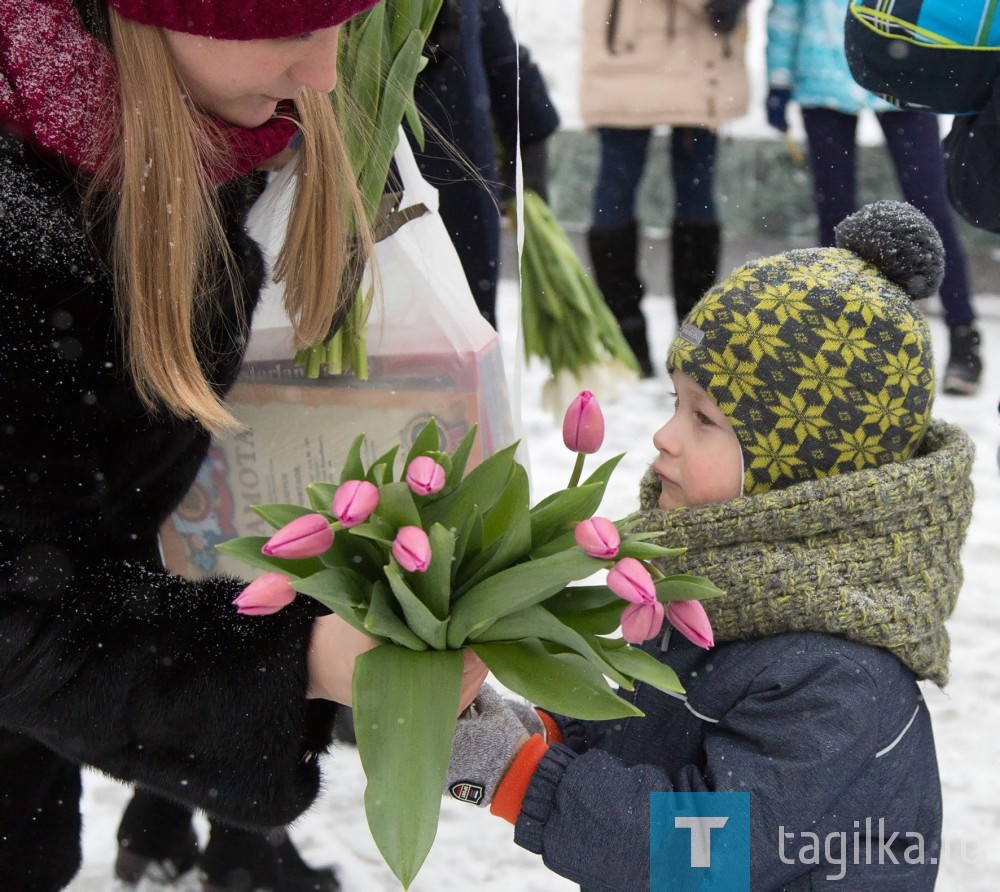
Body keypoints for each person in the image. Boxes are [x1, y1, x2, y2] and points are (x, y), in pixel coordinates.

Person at [0, 2, 487, 890]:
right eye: (292, 28)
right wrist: (290, 659)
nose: (330, 73)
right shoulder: (26, 225)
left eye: (345, 24)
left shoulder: (181, 138)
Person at [442, 201, 975, 889]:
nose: (665, 435)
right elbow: (659, 736)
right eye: (675, 401)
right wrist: (535, 728)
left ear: (798, 469)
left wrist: (516, 776)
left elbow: (703, 853)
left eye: (704, 417)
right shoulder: (736, 581)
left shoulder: (841, 675)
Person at [765, 0, 984, 396]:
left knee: (931, 207)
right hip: (822, 76)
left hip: (904, 74)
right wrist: (778, 79)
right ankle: (830, 338)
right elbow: (787, 10)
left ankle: (963, 332)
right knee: (833, 213)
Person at [579, 0, 751, 376]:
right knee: (691, 192)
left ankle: (626, 336)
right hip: (666, 39)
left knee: (622, 188)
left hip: (635, 44)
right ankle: (691, 338)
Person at [404, 0, 560, 328]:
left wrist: (530, 151)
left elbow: (504, 61)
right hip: (430, 177)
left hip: (458, 181)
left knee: (460, 327)